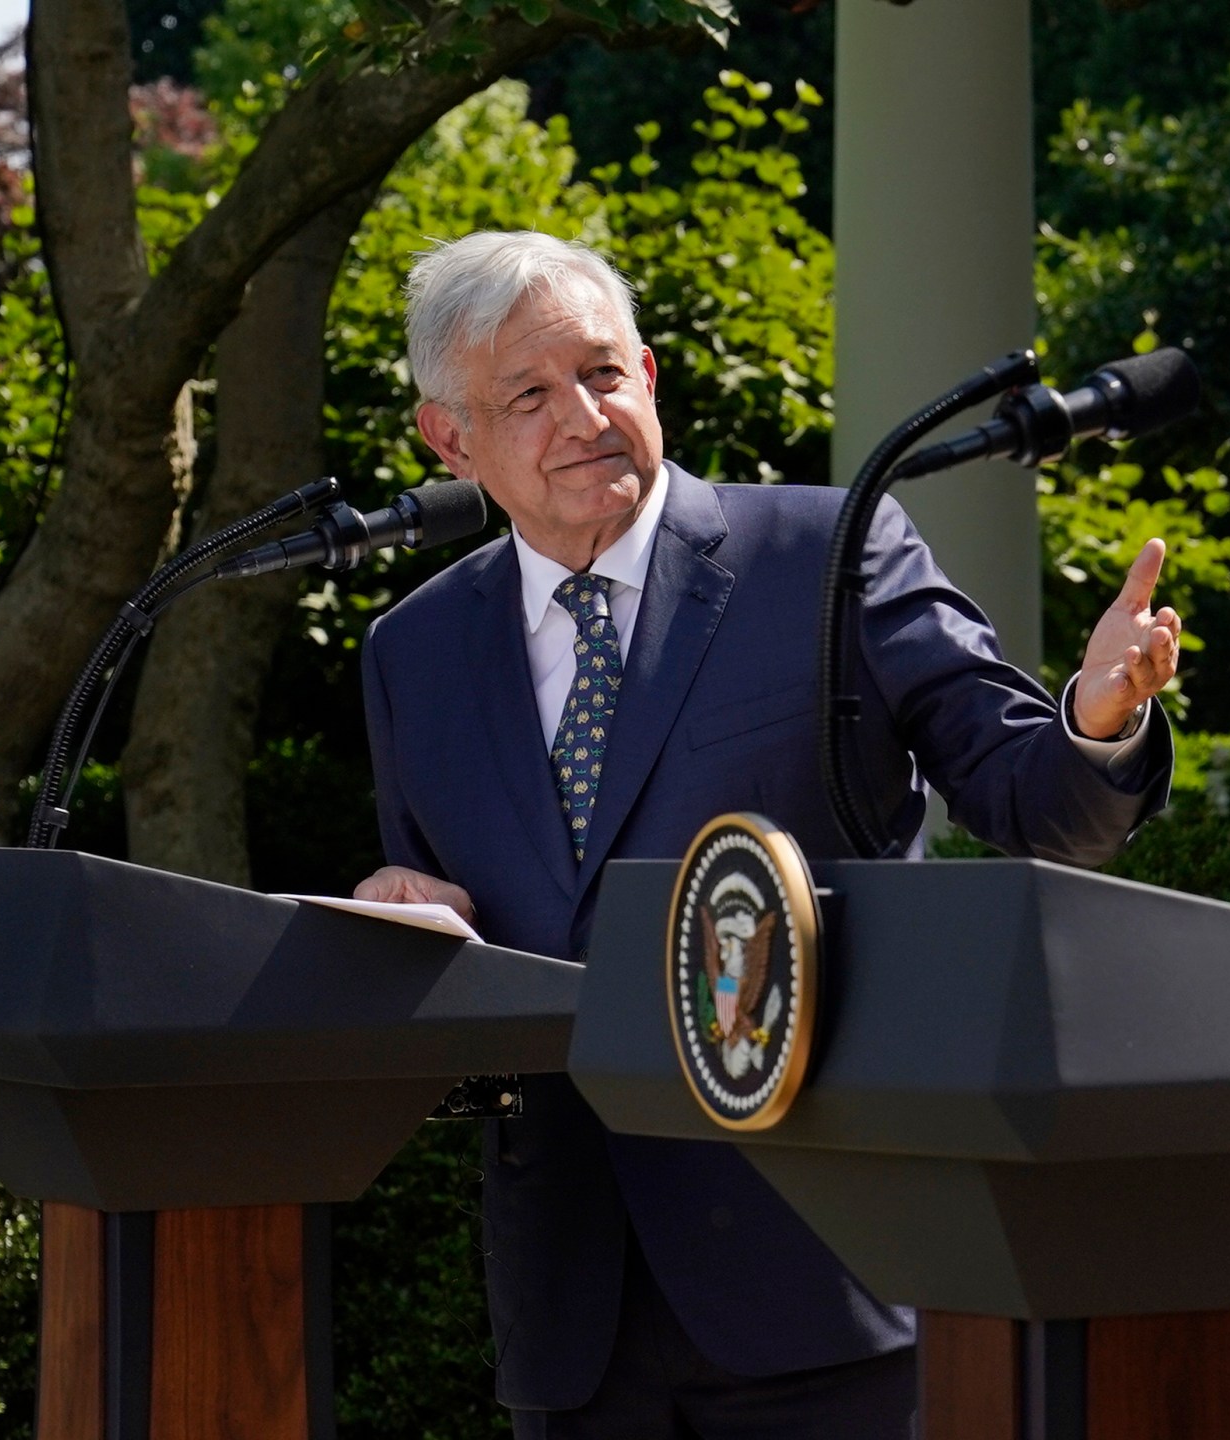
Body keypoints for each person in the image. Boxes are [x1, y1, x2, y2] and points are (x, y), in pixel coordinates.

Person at [353, 230, 1180, 1438]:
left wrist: (1097, 717)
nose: (581, 416)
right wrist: (388, 925)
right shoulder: (412, 654)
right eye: (528, 396)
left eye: (601, 374)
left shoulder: (823, 554)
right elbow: (450, 934)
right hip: (573, 1311)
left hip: (829, 1272)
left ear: (648, 374)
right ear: (450, 440)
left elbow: (1033, 797)